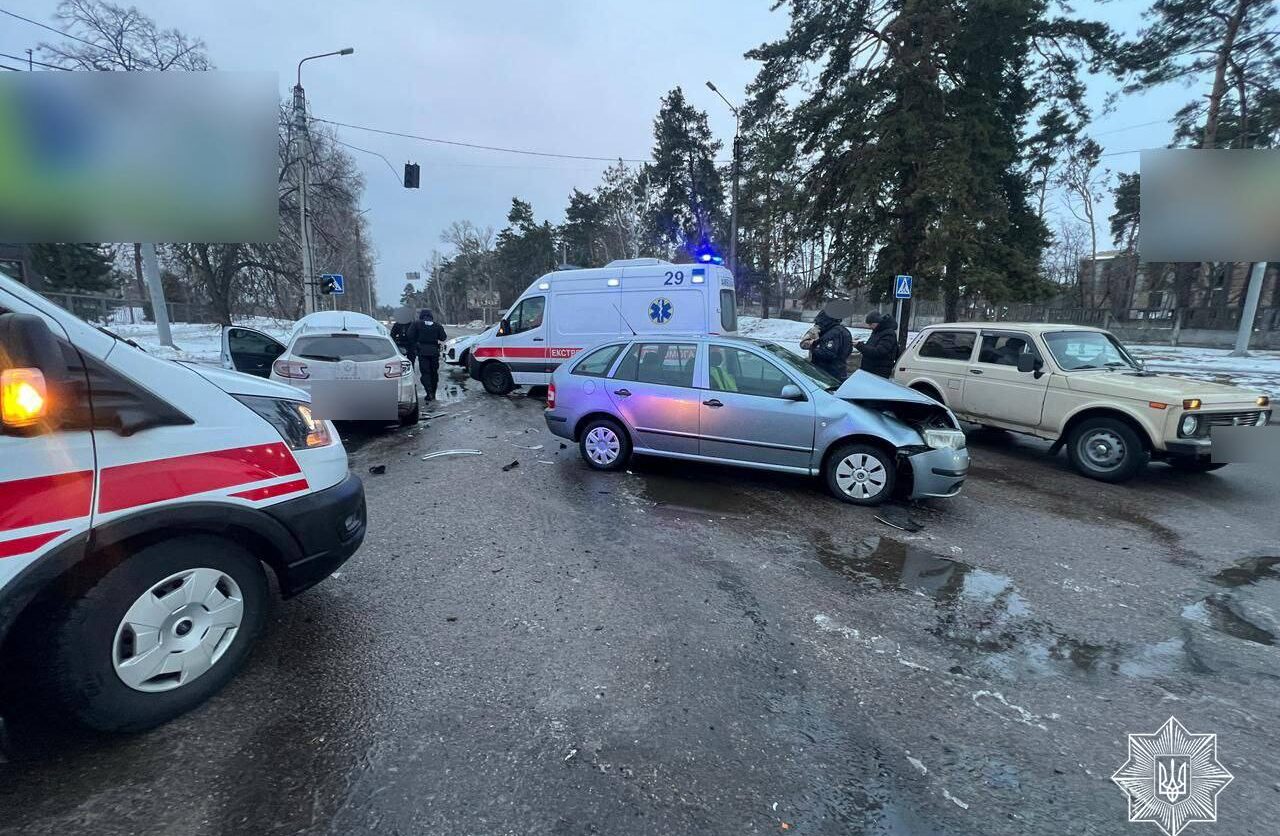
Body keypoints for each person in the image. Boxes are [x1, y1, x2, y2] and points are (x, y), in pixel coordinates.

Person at [407, 309, 448, 401]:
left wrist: (416, 343)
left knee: (426, 373)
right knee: (434, 373)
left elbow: (410, 335)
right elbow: (443, 337)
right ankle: (433, 392)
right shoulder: (437, 325)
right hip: (434, 352)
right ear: (431, 316)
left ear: (421, 316)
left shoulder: (416, 324)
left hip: (422, 352)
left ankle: (429, 392)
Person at [810, 310, 854, 381]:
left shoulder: (832, 333)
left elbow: (827, 353)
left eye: (820, 322)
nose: (818, 324)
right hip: (840, 370)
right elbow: (849, 350)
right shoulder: (844, 331)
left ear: (825, 321)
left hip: (828, 373)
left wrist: (812, 346)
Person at [854, 311, 900, 378]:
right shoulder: (877, 332)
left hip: (879, 372)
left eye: (870, 324)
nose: (869, 326)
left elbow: (878, 352)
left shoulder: (888, 334)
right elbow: (870, 347)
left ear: (877, 322)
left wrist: (860, 346)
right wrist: (860, 345)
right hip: (871, 370)